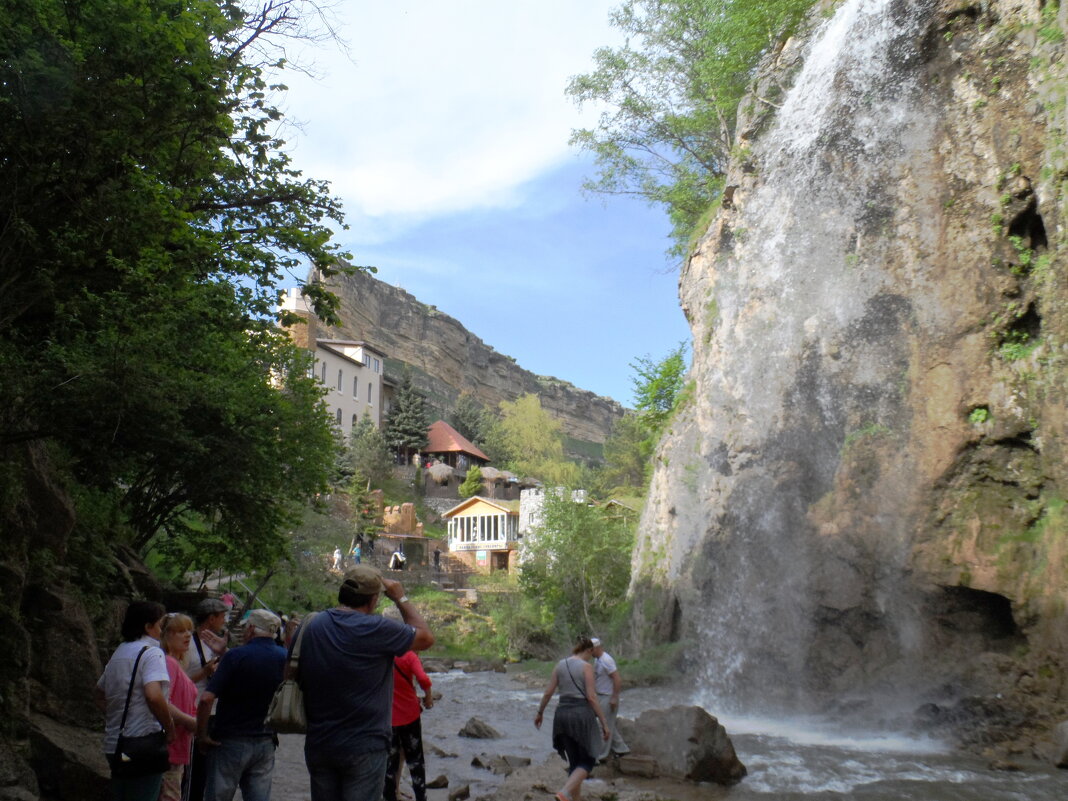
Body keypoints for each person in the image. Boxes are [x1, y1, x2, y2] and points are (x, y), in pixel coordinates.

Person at [296, 565, 434, 801]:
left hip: (320, 741)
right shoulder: (377, 629)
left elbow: (292, 673)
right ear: (373, 601)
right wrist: (400, 597)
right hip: (364, 745)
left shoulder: (313, 624)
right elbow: (425, 637)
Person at [195, 610, 287, 801]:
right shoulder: (283, 657)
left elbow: (206, 699)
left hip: (229, 739)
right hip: (265, 739)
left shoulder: (236, 657)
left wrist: (202, 734)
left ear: (251, 628)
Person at [95, 600, 177, 801]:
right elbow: (153, 695)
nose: (161, 630)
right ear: (147, 627)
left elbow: (99, 693)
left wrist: (119, 714)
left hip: (116, 747)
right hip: (142, 748)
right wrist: (170, 727)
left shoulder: (120, 652)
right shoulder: (152, 653)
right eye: (159, 625)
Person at [534, 637, 609, 801]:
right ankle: (564, 793)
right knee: (588, 760)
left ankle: (574, 799)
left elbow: (548, 692)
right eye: (591, 653)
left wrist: (540, 712)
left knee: (575, 762)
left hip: (561, 715)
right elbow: (591, 697)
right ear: (589, 650)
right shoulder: (587, 667)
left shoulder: (560, 665)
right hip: (581, 715)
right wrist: (604, 722)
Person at [185, 598, 229, 801]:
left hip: (211, 711)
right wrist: (205, 672)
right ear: (211, 619)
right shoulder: (188, 645)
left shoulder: (216, 643)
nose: (225, 621)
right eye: (222, 617)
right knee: (193, 769)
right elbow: (179, 679)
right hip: (191, 709)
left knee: (205, 770)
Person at [383, 650, 433, 801]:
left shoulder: (383, 654)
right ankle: (421, 797)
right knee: (416, 762)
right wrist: (428, 697)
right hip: (410, 716)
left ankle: (390, 796)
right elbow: (423, 678)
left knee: (390, 764)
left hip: (388, 717)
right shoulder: (409, 656)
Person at [160, 613, 199, 801]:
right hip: (171, 746)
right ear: (167, 635)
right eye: (181, 631)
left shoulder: (176, 664)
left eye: (189, 631)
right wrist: (190, 721)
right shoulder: (168, 663)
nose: (187, 636)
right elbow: (162, 701)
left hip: (178, 746)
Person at [590, 638, 630, 761]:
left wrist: (614, 697)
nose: (590, 652)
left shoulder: (607, 660)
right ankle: (622, 749)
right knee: (609, 724)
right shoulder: (598, 660)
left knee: (604, 725)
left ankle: (601, 755)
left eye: (591, 649)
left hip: (607, 697)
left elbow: (617, 679)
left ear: (597, 648)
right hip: (600, 696)